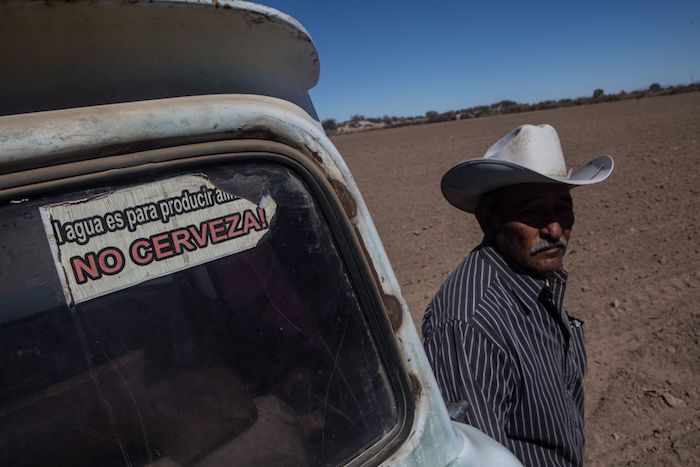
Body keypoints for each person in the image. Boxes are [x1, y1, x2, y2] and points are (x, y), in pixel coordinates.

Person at [422, 124, 614, 467]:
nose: (554, 229)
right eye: (531, 212)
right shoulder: (470, 325)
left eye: (562, 207)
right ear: (488, 220)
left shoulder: (535, 280)